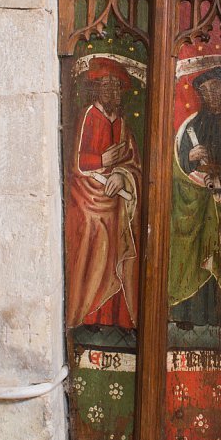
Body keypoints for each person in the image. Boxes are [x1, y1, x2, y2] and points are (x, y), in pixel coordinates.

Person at [168, 66, 221, 328]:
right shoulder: (193, 126)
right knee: (194, 250)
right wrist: (190, 158)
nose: (209, 95)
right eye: (204, 92)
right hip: (200, 206)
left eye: (215, 89)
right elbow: (179, 167)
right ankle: (188, 315)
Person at [65, 56, 141, 331]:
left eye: (116, 87)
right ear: (96, 89)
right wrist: (102, 161)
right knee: (92, 237)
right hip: (86, 198)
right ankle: (87, 315)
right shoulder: (88, 116)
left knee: (119, 241)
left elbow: (133, 163)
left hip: (114, 200)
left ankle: (116, 318)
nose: (111, 92)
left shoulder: (122, 124)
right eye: (106, 85)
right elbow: (77, 162)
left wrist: (121, 176)